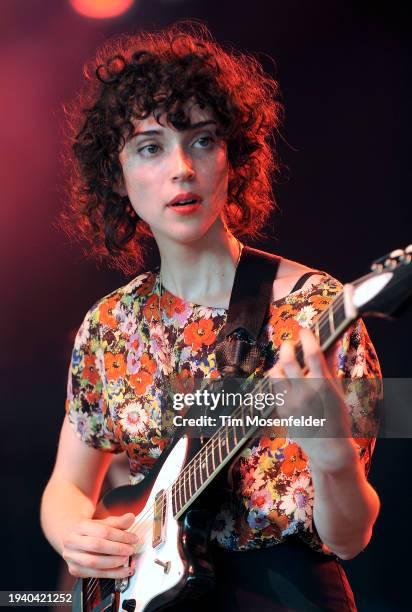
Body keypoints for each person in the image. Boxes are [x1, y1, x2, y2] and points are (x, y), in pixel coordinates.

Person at [41, 21, 381, 611]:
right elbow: (67, 486)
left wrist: (332, 456)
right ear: (116, 177)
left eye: (201, 140)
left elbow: (351, 539)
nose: (181, 168)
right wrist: (75, 533)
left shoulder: (320, 307)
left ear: (233, 158)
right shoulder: (109, 327)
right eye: (150, 147)